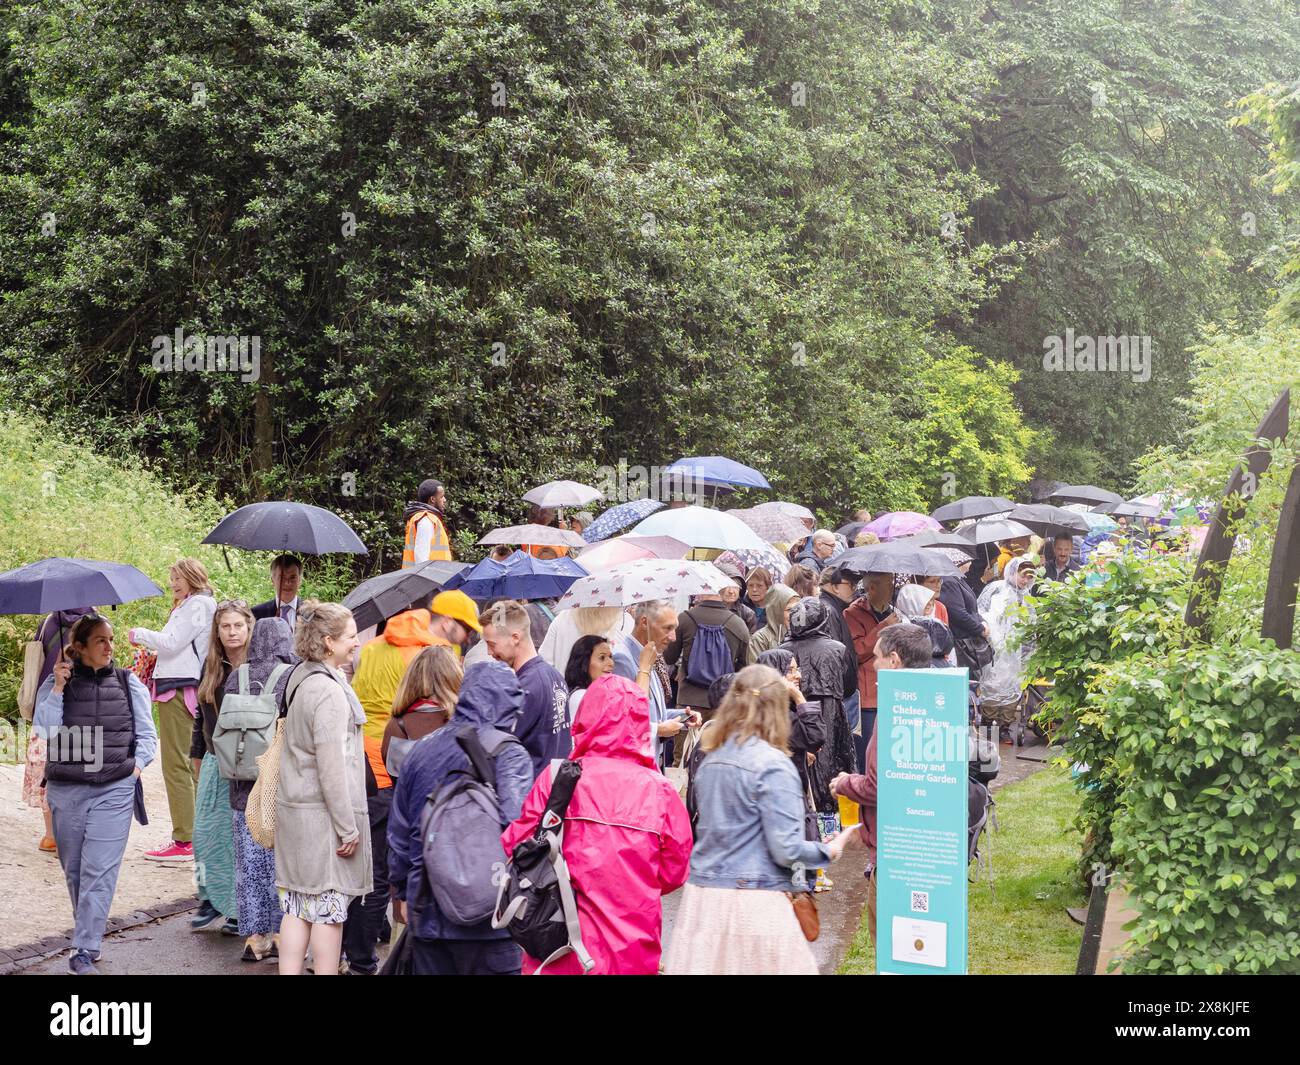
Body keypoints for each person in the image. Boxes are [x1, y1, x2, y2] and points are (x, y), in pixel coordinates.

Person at [663, 664, 854, 974]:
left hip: (703, 901)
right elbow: (787, 850)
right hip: (752, 902)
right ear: (777, 708)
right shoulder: (773, 765)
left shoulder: (711, 757)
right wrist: (828, 851)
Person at [502, 674, 693, 974]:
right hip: (631, 952)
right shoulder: (660, 793)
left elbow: (517, 846)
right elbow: (673, 874)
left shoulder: (556, 780)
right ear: (641, 723)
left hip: (559, 949)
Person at [388, 660, 533, 975]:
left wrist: (402, 891)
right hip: (493, 915)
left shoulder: (420, 751)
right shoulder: (510, 754)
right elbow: (518, 831)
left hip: (428, 908)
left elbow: (400, 834)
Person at [34, 613, 158, 974]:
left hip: (114, 788)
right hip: (66, 789)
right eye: (101, 640)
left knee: (99, 870)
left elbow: (148, 737)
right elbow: (45, 731)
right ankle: (87, 933)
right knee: (75, 871)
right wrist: (56, 689)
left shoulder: (127, 682)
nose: (110, 647)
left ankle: (84, 949)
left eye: (112, 639)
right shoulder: (57, 684)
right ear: (81, 647)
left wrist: (133, 769)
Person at [275, 601, 371, 977]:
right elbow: (332, 767)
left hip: (297, 814)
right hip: (323, 822)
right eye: (350, 637)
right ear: (328, 642)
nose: (357, 643)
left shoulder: (301, 679)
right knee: (329, 912)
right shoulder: (329, 692)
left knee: (297, 907)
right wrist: (347, 827)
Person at [830, 622, 934, 943]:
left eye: (876, 658)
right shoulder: (931, 701)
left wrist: (846, 782)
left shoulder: (896, 711)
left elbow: (880, 786)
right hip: (925, 842)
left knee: (891, 943)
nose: (872, 665)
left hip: (896, 852)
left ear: (894, 660)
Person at [129, 558, 217, 862]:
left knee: (175, 764)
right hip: (183, 685)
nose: (173, 583)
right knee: (188, 763)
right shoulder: (195, 604)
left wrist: (138, 633)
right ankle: (196, 836)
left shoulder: (197, 605)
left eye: (178, 577)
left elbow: (172, 642)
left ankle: (185, 839)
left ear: (193, 576)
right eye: (172, 577)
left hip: (178, 689)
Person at [228, 617, 296, 963]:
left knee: (249, 863)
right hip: (278, 784)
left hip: (241, 783)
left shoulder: (234, 676)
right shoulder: (291, 677)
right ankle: (285, 932)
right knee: (282, 862)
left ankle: (255, 937)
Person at [780, 596, 855, 890]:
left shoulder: (782, 650)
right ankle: (824, 855)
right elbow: (849, 684)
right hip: (828, 718)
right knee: (828, 787)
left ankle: (806, 854)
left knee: (803, 788)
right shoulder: (837, 649)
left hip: (793, 719)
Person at [190, 600, 253, 937]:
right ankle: (208, 897)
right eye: (225, 626)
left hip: (248, 764)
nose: (231, 632)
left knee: (236, 838)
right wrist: (196, 754)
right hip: (216, 759)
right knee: (202, 835)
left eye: (237, 626)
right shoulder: (213, 665)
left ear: (248, 627)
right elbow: (201, 713)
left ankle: (235, 907)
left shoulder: (259, 667)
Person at [22, 606, 93, 853]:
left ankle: (51, 835)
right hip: (82, 704)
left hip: (48, 695)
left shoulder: (49, 621)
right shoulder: (94, 621)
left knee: (47, 771)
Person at [482, 600, 569, 779]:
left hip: (532, 794)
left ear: (515, 637)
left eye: (492, 644)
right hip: (554, 791)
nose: (489, 652)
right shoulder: (555, 676)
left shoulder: (525, 688)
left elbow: (495, 751)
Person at [612, 600, 685, 767]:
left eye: (675, 628)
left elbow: (653, 713)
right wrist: (658, 730)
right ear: (644, 622)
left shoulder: (649, 654)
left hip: (650, 761)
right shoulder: (622, 658)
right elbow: (624, 719)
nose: (673, 637)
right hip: (634, 765)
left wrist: (682, 717)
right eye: (667, 628)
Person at [381, 645, 463, 782]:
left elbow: (398, 782)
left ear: (412, 678)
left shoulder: (397, 726)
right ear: (454, 677)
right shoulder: (464, 720)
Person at [664, 590, 753, 715]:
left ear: (700, 591)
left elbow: (669, 658)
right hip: (724, 703)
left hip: (689, 702)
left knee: (687, 735)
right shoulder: (739, 624)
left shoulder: (684, 619)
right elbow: (745, 668)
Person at [978, 556, 1036, 738]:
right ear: (1012, 572)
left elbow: (1031, 625)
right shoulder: (996, 589)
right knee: (992, 685)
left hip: (1016, 652)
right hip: (996, 649)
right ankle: (988, 724)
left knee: (1012, 686)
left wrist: (1029, 650)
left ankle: (1004, 727)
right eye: (1022, 575)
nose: (1025, 580)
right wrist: (993, 640)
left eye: (1029, 577)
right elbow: (982, 613)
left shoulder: (1027, 596)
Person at [844, 570, 901, 748]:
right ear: (872, 588)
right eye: (888, 583)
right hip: (869, 696)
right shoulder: (852, 613)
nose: (893, 587)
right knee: (870, 749)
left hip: (893, 691)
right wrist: (884, 626)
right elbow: (858, 651)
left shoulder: (892, 611)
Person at [819, 566, 862, 728]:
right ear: (835, 586)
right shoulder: (829, 609)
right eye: (850, 584)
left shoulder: (833, 607)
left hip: (843, 693)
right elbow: (834, 654)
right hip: (840, 695)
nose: (854, 590)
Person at [538, 604, 633, 674]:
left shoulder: (563, 617)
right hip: (607, 696)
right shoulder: (624, 622)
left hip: (565, 693)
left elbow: (544, 663)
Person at [563, 634, 615, 727]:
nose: (611, 663)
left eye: (610, 657)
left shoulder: (598, 694)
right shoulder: (581, 697)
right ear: (584, 663)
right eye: (602, 658)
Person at [402, 477, 453, 566]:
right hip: (427, 577)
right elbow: (421, 559)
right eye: (441, 497)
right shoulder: (426, 520)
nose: (444, 500)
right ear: (432, 499)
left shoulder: (427, 518)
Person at [251, 554, 303, 628]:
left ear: (300, 581)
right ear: (273, 581)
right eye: (282, 578)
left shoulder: (311, 614)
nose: (287, 583)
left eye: (292, 577)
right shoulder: (257, 614)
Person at [750, 583, 798, 658]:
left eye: (797, 609)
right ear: (776, 611)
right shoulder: (760, 639)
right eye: (789, 610)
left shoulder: (802, 635)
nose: (795, 614)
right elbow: (756, 668)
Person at [717, 562, 758, 633]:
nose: (731, 591)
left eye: (735, 586)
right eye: (726, 586)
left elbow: (751, 640)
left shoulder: (748, 614)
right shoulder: (707, 610)